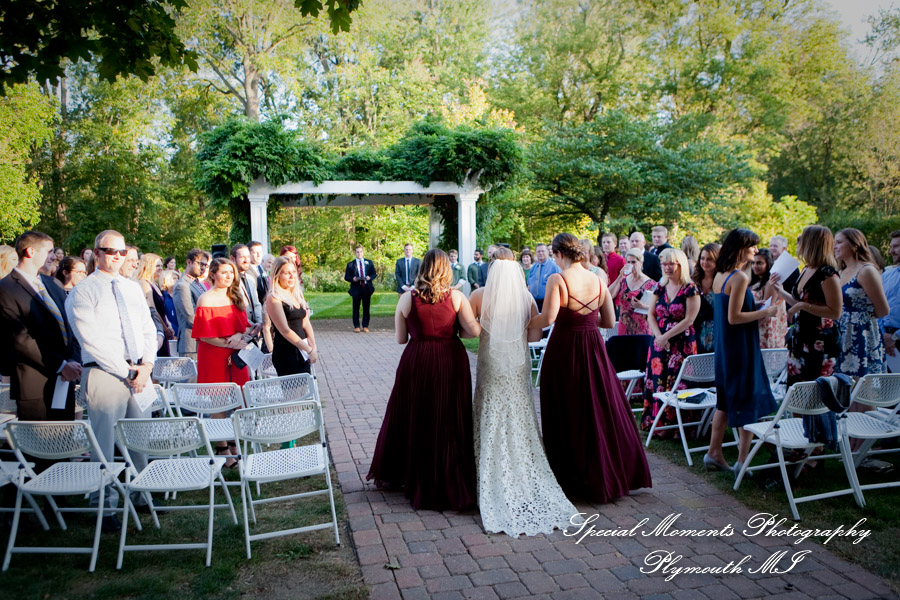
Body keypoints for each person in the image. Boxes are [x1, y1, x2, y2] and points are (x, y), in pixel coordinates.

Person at [528, 233, 651, 502]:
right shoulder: (598, 279)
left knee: (568, 408)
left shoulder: (557, 279)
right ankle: (608, 471)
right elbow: (608, 321)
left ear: (559, 254)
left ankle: (571, 476)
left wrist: (523, 322)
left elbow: (548, 318)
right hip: (593, 348)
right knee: (597, 407)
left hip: (565, 349)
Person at [467, 248, 577, 535]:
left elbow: (469, 331)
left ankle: (487, 473)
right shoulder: (527, 297)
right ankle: (524, 472)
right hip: (517, 364)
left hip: (491, 363)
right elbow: (534, 335)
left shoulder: (479, 296)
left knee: (490, 407)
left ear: (492, 268)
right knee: (518, 411)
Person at [367, 249, 481, 510]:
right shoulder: (457, 298)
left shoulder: (408, 298)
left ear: (423, 269)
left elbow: (400, 339)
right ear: (446, 269)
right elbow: (472, 332)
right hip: (449, 360)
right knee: (448, 416)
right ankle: (448, 472)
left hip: (417, 360)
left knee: (417, 415)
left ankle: (414, 473)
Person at [66, 230, 156, 525]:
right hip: (105, 373)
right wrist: (126, 371)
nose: (117, 257)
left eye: (121, 252)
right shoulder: (84, 291)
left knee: (140, 439)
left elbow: (147, 328)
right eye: (110, 251)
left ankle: (142, 496)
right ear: (96, 253)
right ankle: (104, 507)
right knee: (103, 445)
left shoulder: (131, 288)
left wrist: (146, 366)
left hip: (138, 372)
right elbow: (89, 339)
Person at [704, 229, 779, 473]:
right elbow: (734, 317)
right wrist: (765, 312)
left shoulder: (720, 275)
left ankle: (714, 452)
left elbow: (731, 309)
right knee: (747, 398)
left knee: (724, 401)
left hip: (725, 347)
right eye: (752, 247)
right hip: (740, 346)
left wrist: (755, 305)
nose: (756, 251)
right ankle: (741, 461)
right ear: (740, 248)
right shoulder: (739, 277)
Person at [0, 231, 82, 420]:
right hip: (35, 382)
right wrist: (61, 365)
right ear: (30, 251)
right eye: (50, 251)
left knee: (63, 441)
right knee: (40, 445)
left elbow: (69, 325)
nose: (55, 256)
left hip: (65, 380)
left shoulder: (53, 284)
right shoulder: (6, 288)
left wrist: (73, 360)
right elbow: (20, 339)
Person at [192, 258, 256, 463]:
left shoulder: (235, 296)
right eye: (224, 272)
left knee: (240, 400)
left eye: (231, 272)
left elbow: (244, 326)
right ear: (212, 274)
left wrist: (241, 337)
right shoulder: (206, 299)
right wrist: (232, 343)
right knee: (218, 401)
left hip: (236, 355)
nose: (229, 276)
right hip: (213, 354)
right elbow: (204, 335)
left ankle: (235, 443)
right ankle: (222, 449)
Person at [771, 225, 842, 386]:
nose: (798, 242)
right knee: (796, 391)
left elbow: (835, 312)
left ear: (811, 243)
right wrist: (780, 291)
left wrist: (802, 306)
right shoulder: (806, 269)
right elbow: (799, 303)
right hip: (800, 338)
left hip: (820, 342)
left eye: (802, 239)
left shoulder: (828, 274)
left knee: (815, 394)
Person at [640, 248, 700, 435]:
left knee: (678, 382)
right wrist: (659, 337)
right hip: (658, 340)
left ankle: (678, 427)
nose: (666, 267)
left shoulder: (690, 289)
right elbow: (650, 314)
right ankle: (658, 423)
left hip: (681, 341)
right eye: (663, 263)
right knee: (657, 379)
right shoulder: (660, 287)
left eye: (670, 263)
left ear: (680, 264)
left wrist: (666, 337)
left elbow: (689, 319)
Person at [834, 228, 888, 376]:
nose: (834, 246)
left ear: (854, 244)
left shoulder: (866, 270)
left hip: (862, 334)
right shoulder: (840, 272)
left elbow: (883, 310)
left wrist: (859, 318)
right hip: (841, 333)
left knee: (861, 386)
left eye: (839, 242)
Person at [266, 256, 317, 375]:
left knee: (307, 391)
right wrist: (308, 349)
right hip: (287, 352)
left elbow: (305, 322)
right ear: (278, 275)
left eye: (293, 272)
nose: (291, 276)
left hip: (302, 351)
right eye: (286, 273)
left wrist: (313, 346)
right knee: (293, 393)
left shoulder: (296, 294)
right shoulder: (274, 298)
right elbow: (285, 330)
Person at [174, 248, 211, 360]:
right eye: (200, 264)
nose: (203, 268)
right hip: (191, 345)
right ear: (188, 262)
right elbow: (191, 317)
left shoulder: (200, 284)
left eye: (205, 265)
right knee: (192, 378)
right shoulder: (182, 286)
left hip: (204, 341)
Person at [609, 248, 655, 336]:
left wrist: (643, 306)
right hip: (624, 326)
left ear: (641, 263)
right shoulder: (623, 280)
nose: (631, 265)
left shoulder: (651, 283)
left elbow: (657, 307)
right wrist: (619, 277)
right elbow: (609, 295)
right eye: (628, 262)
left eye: (634, 262)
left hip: (642, 327)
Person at [749, 248, 787, 349]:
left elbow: (767, 310)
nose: (755, 266)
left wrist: (750, 329)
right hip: (757, 329)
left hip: (766, 331)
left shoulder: (771, 282)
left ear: (768, 264)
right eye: (753, 263)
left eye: (759, 263)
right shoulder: (755, 282)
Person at [691, 243, 720, 354]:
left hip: (716, 329)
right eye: (702, 258)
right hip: (696, 329)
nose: (705, 262)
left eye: (709, 259)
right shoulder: (694, 279)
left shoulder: (722, 280)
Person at [231, 244, 264, 338]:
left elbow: (257, 303)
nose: (246, 260)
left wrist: (259, 323)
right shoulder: (230, 280)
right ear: (232, 258)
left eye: (248, 257)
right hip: (239, 332)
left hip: (255, 332)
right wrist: (252, 326)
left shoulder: (250, 279)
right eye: (242, 257)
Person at [344, 245, 376, 333]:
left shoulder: (369, 262)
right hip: (356, 288)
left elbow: (374, 274)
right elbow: (346, 277)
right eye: (357, 252)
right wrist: (353, 279)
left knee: (366, 307)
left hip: (366, 287)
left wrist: (370, 277)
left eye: (360, 252)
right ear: (355, 253)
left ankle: (365, 325)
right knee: (356, 308)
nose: (359, 253)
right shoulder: (350, 264)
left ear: (363, 252)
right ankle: (356, 326)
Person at [880, 230, 900, 360]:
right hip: (885, 344)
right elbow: (877, 307)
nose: (891, 251)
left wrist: (895, 337)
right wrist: (884, 337)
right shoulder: (886, 275)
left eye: (896, 246)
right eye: (891, 246)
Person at [527, 243, 560, 311]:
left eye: (543, 251)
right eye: (538, 251)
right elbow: (529, 286)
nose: (541, 253)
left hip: (548, 302)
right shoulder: (533, 268)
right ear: (536, 253)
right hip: (534, 302)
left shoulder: (554, 267)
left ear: (547, 252)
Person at [159, 269, 180, 339]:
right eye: (174, 278)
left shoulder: (180, 295)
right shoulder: (163, 297)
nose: (177, 280)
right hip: (169, 333)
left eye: (178, 278)